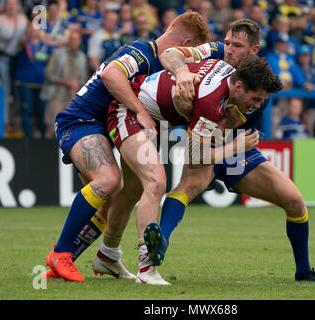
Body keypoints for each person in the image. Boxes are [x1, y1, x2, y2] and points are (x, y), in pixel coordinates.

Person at [155, 18, 315, 283]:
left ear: (253, 51)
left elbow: (229, 126)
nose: (228, 49)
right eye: (227, 42)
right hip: (204, 141)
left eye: (237, 46)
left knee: (295, 201)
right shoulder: (215, 53)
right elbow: (170, 54)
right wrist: (181, 74)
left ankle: (304, 271)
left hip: (235, 147)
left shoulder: (258, 85)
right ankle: (159, 242)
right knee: (188, 185)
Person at [43, 11, 209, 282]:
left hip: (103, 129)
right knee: (108, 180)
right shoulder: (142, 51)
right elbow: (111, 74)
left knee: (119, 196)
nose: (189, 60)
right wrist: (139, 111)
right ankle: (60, 253)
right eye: (191, 52)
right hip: (80, 122)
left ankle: (91, 259)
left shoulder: (155, 63)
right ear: (186, 43)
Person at [101, 55, 276, 285]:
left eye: (261, 101)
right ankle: (147, 269)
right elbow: (195, 158)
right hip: (129, 111)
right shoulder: (210, 101)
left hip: (153, 120)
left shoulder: (227, 75)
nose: (256, 105)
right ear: (239, 86)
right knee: (156, 182)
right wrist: (236, 147)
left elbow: (176, 53)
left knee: (133, 190)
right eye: (255, 98)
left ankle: (107, 256)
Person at [0, 0, 28, 128]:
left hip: (17, 58)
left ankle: (17, 121)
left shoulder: (23, 19)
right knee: (5, 87)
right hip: (1, 57)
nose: (12, 6)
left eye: (14, 4)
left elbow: (31, 35)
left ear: (18, 6)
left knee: (18, 89)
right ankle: (4, 121)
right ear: (5, 6)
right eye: (9, 3)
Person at [43, 30, 88, 138]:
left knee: (70, 130)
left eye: (76, 40)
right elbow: (49, 74)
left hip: (73, 98)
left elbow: (84, 78)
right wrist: (66, 82)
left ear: (80, 42)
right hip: (56, 96)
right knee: (52, 129)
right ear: (68, 41)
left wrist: (77, 85)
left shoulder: (82, 57)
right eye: (72, 39)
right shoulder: (58, 54)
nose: (74, 42)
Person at [14, 23, 50, 138]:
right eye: (31, 29)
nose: (33, 31)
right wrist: (24, 40)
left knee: (42, 111)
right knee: (27, 110)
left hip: (40, 82)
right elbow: (19, 46)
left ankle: (44, 136)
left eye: (35, 29)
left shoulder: (43, 45)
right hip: (25, 82)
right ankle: (28, 137)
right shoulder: (24, 44)